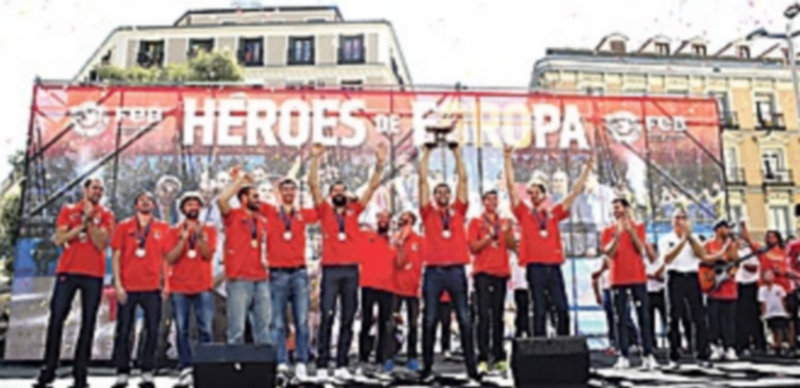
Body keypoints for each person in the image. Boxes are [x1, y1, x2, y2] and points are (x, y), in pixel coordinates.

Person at [308, 143, 386, 380]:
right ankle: (322, 365)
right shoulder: (324, 211)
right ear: (331, 195)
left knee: (349, 317)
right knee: (327, 316)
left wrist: (380, 164)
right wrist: (315, 159)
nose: (339, 193)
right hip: (331, 270)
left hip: (352, 270)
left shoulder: (354, 210)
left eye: (343, 189)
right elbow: (313, 185)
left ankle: (342, 364)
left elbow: (372, 187)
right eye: (335, 190)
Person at [503, 146, 594, 337]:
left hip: (553, 266)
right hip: (534, 266)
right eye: (531, 192)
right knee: (539, 309)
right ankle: (539, 346)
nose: (533, 195)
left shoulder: (553, 214)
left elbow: (574, 193)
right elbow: (511, 188)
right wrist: (507, 158)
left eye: (537, 192)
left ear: (544, 194)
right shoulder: (525, 214)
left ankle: (564, 344)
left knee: (561, 307)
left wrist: (588, 169)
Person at [34, 178, 115, 388]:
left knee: (88, 323)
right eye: (94, 188)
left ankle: (81, 373)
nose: (98, 191)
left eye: (101, 189)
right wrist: (80, 223)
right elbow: (60, 239)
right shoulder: (68, 209)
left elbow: (101, 243)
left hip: (93, 274)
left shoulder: (106, 214)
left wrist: (90, 222)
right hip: (67, 272)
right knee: (57, 318)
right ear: (85, 189)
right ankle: (48, 369)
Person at [417, 143, 480, 382]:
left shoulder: (458, 211)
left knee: (465, 319)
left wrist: (456, 153)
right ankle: (427, 368)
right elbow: (422, 182)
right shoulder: (427, 213)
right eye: (439, 192)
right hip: (433, 271)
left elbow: (463, 180)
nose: (443, 195)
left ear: (450, 196)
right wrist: (425, 155)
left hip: (456, 270)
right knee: (430, 319)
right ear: (434, 197)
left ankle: (472, 368)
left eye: (446, 192)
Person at [259, 179, 319, 378]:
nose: (288, 193)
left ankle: (301, 360)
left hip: (299, 272)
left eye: (292, 189)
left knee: (302, 320)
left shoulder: (302, 214)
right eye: (284, 189)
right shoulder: (270, 212)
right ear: (277, 192)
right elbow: (250, 201)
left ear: (296, 193)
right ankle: (282, 361)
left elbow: (322, 210)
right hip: (277, 273)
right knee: (277, 321)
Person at [110, 192, 170, 388]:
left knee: (152, 330)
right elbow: (117, 256)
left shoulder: (162, 227)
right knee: (124, 330)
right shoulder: (123, 226)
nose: (145, 203)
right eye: (141, 200)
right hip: (128, 286)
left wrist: (166, 283)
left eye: (149, 200)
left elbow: (165, 259)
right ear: (135, 205)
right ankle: (122, 370)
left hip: (152, 287)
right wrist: (118, 284)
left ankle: (147, 370)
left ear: (153, 205)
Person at [164, 192, 218, 388]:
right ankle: (185, 367)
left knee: (205, 329)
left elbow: (207, 255)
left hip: (203, 286)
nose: (193, 207)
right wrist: (183, 239)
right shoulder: (173, 231)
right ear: (183, 209)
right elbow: (170, 259)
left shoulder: (209, 230)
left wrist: (200, 236)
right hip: (179, 287)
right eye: (189, 205)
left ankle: (207, 367)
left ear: (201, 209)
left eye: (196, 204)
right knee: (182, 329)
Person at [601, 198, 657, 369]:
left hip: (637, 277)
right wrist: (617, 235)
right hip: (618, 278)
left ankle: (648, 354)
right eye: (614, 208)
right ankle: (623, 355)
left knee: (644, 317)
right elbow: (608, 253)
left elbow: (641, 249)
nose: (616, 211)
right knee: (621, 319)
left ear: (626, 208)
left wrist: (630, 231)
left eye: (618, 207)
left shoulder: (638, 227)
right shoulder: (608, 230)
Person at [217, 168, 271, 345]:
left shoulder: (262, 220)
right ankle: (235, 366)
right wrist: (240, 181)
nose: (259, 200)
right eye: (255, 196)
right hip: (239, 278)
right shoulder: (233, 216)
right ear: (244, 199)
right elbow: (222, 199)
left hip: (261, 278)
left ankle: (264, 368)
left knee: (263, 327)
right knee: (237, 328)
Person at [467, 190, 515, 374]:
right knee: (483, 316)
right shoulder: (475, 222)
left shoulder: (503, 222)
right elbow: (473, 247)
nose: (492, 202)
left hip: (501, 272)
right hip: (482, 273)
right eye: (489, 199)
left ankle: (500, 356)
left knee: (498, 316)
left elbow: (510, 245)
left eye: (495, 199)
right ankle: (482, 357)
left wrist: (507, 231)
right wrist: (491, 236)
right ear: (483, 202)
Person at [658, 208, 710, 368]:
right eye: (677, 218)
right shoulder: (666, 239)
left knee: (699, 318)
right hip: (675, 277)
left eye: (683, 218)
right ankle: (674, 356)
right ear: (672, 221)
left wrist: (690, 239)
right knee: (673, 317)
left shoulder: (694, 239)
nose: (680, 221)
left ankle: (702, 355)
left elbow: (702, 255)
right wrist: (682, 241)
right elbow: (667, 258)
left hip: (692, 277)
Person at [357, 210, 398, 374]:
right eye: (380, 217)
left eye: (386, 218)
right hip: (368, 284)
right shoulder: (366, 236)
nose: (383, 220)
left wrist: (400, 247)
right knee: (366, 322)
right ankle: (363, 358)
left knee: (385, 325)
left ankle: (381, 359)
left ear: (390, 222)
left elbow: (400, 264)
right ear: (376, 220)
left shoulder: (394, 241)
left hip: (387, 287)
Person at [703, 220, 739, 361]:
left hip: (729, 288)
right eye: (725, 228)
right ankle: (715, 346)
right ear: (718, 229)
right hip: (713, 288)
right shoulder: (708, 245)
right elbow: (704, 261)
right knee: (713, 320)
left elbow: (736, 262)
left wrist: (732, 271)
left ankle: (730, 346)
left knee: (729, 320)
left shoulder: (731, 245)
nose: (727, 231)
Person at [391, 211, 423, 371]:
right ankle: (390, 354)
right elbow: (397, 263)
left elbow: (423, 264)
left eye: (408, 220)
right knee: (392, 322)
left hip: (413, 289)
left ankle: (412, 356)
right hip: (395, 288)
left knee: (413, 324)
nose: (404, 222)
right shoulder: (395, 239)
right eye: (402, 220)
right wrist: (400, 243)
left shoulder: (419, 240)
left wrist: (421, 286)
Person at [591, 257, 639, 355]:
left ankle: (634, 342)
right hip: (607, 290)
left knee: (626, 317)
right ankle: (614, 343)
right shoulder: (601, 260)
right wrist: (602, 269)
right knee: (611, 318)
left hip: (620, 287)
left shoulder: (620, 258)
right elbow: (594, 277)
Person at [735, 234, 765, 355]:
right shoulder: (731, 251)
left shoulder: (747, 252)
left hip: (750, 285)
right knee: (739, 317)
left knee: (753, 315)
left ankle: (759, 343)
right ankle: (742, 343)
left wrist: (742, 264)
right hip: (737, 285)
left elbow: (754, 267)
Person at [760, 269, 790, 354]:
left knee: (779, 328)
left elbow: (783, 300)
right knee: (772, 329)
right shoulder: (762, 290)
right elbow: (763, 302)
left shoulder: (779, 288)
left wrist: (785, 311)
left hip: (779, 311)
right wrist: (764, 313)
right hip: (769, 313)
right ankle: (774, 344)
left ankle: (779, 345)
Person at [645, 243, 667, 350]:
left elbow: (663, 278)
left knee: (667, 318)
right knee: (649, 320)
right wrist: (654, 276)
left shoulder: (662, 262)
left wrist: (654, 276)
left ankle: (672, 342)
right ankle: (651, 344)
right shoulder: (643, 263)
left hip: (661, 292)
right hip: (648, 293)